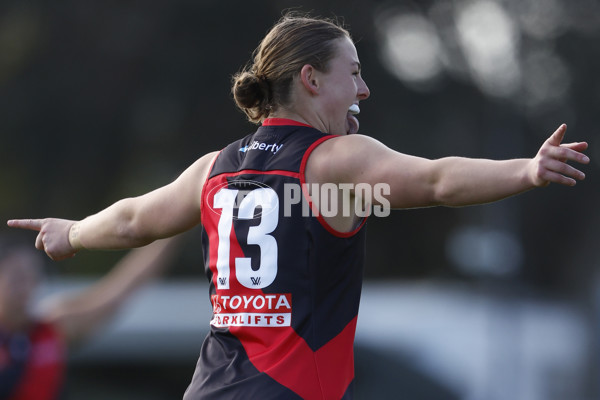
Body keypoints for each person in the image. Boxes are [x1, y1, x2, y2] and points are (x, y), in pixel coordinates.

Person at [6, 13, 589, 400]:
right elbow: (436, 181)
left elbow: (133, 219)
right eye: (354, 74)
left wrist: (75, 232)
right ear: (310, 79)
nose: (363, 90)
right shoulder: (333, 160)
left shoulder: (216, 167)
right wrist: (526, 170)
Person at [0, 235, 180, 400]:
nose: (25, 287)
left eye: (31, 276)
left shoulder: (51, 329)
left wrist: (175, 226)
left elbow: (121, 288)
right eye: (17, 278)